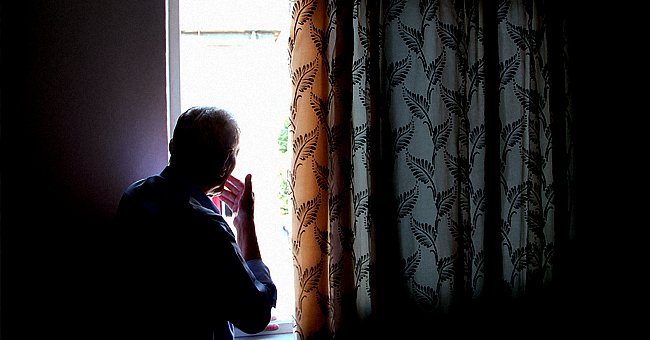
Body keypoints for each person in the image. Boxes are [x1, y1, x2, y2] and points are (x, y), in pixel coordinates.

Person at [113, 106, 277, 339]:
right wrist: (245, 223)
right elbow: (254, 315)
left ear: (172, 147)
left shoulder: (135, 195)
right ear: (227, 165)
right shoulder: (206, 226)